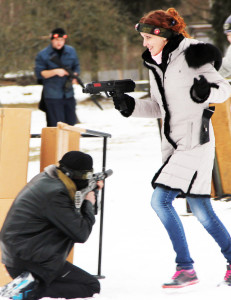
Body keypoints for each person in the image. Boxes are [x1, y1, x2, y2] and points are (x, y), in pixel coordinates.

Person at [111, 8, 231, 288]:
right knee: (201, 208)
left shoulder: (194, 54)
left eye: (146, 38)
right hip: (174, 143)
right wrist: (129, 106)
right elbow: (158, 107)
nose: (144, 44)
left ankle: (185, 268)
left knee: (160, 200)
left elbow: (223, 90)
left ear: (161, 34)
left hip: (195, 141)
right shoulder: (154, 63)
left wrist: (204, 92)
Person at [0, 151, 102, 299]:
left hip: (23, 254)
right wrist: (89, 203)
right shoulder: (56, 194)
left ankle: (26, 290)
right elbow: (81, 232)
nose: (86, 181)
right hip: (31, 260)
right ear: (70, 174)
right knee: (90, 286)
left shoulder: (48, 179)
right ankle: (22, 293)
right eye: (84, 177)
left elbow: (69, 215)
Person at [35, 28, 80, 127]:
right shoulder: (43, 54)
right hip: (52, 95)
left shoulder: (71, 51)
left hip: (68, 94)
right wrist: (55, 71)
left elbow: (76, 66)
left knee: (71, 124)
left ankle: (69, 143)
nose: (59, 42)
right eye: (56, 40)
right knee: (55, 125)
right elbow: (40, 73)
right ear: (51, 40)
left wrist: (75, 75)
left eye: (61, 40)